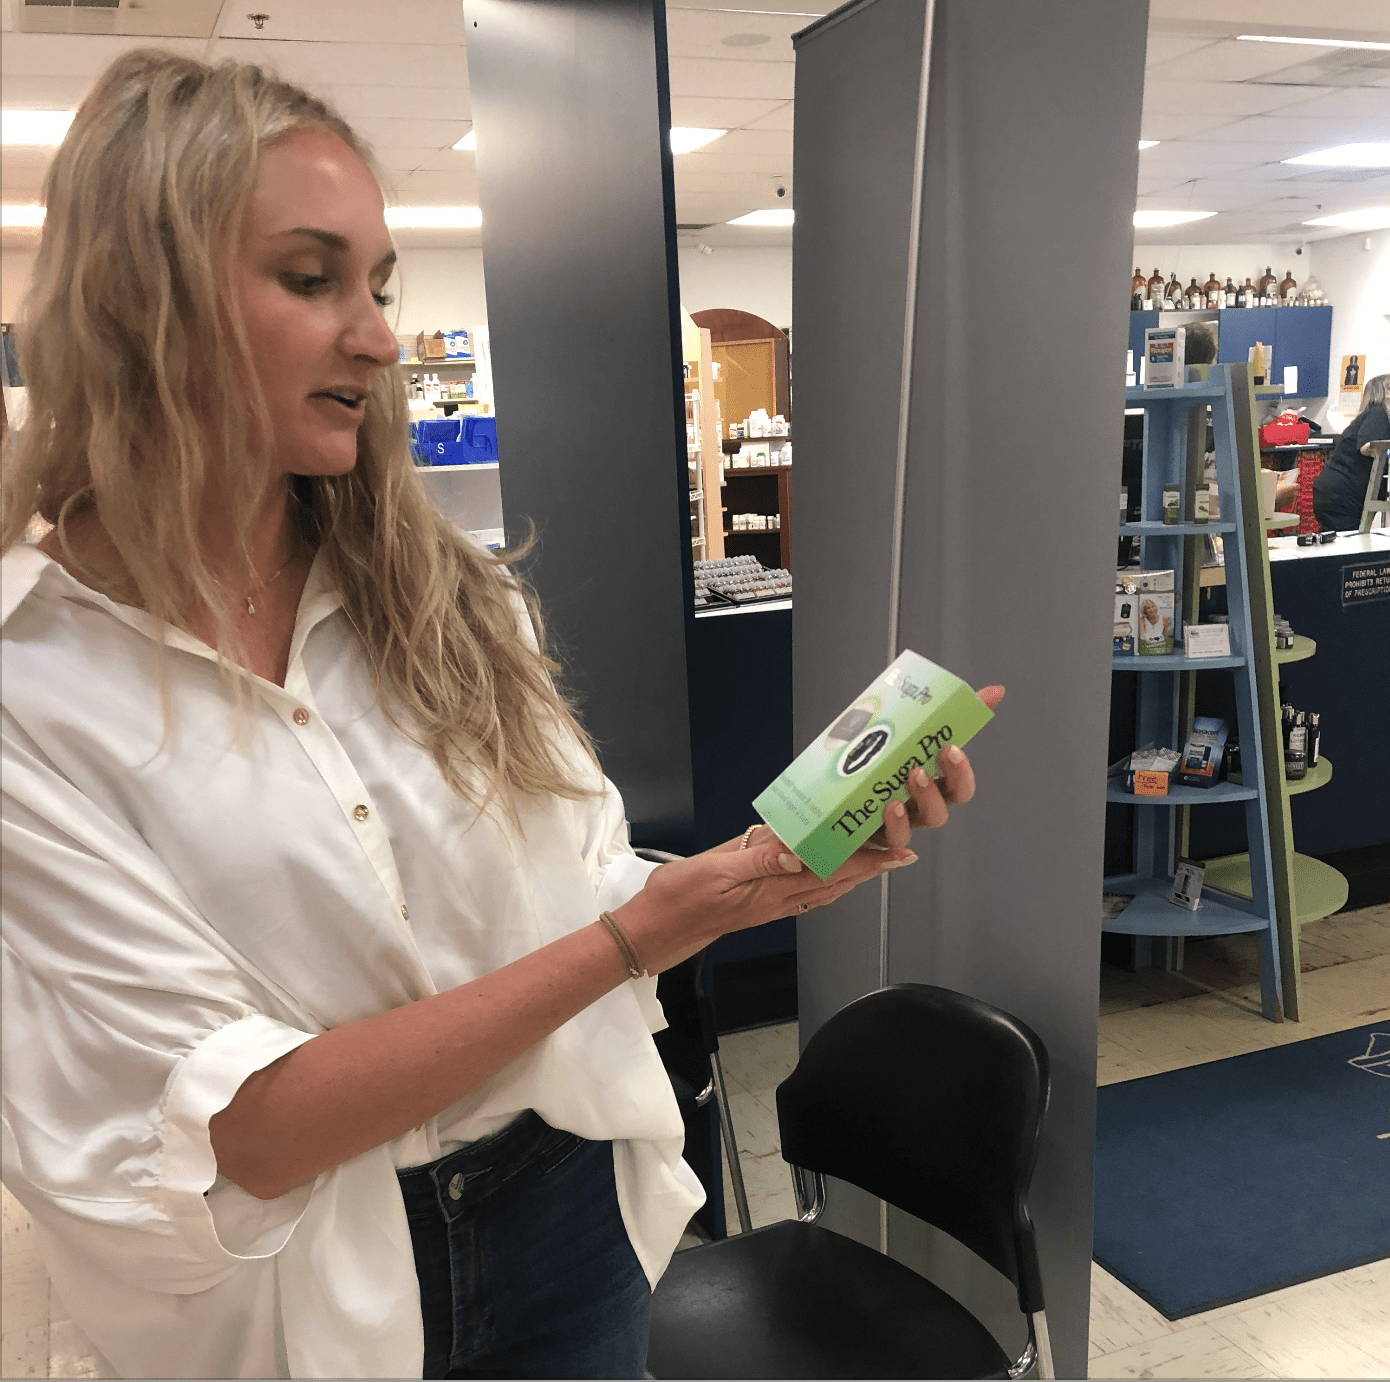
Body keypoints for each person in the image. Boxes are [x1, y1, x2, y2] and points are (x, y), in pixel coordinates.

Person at [0, 51, 1005, 1381]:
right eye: (307, 278)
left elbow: (575, 878)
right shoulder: (36, 684)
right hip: (303, 1285)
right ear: (136, 299)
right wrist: (641, 932)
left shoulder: (451, 602)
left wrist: (744, 879)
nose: (374, 337)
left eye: (376, 287)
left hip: (562, 1199)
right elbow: (247, 1125)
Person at [1312, 373, 1390, 532]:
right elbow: (1367, 446)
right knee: (1346, 542)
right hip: (1342, 494)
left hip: (1336, 491)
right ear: (1387, 393)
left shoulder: (1371, 414)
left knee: (1342, 540)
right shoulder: (1378, 413)